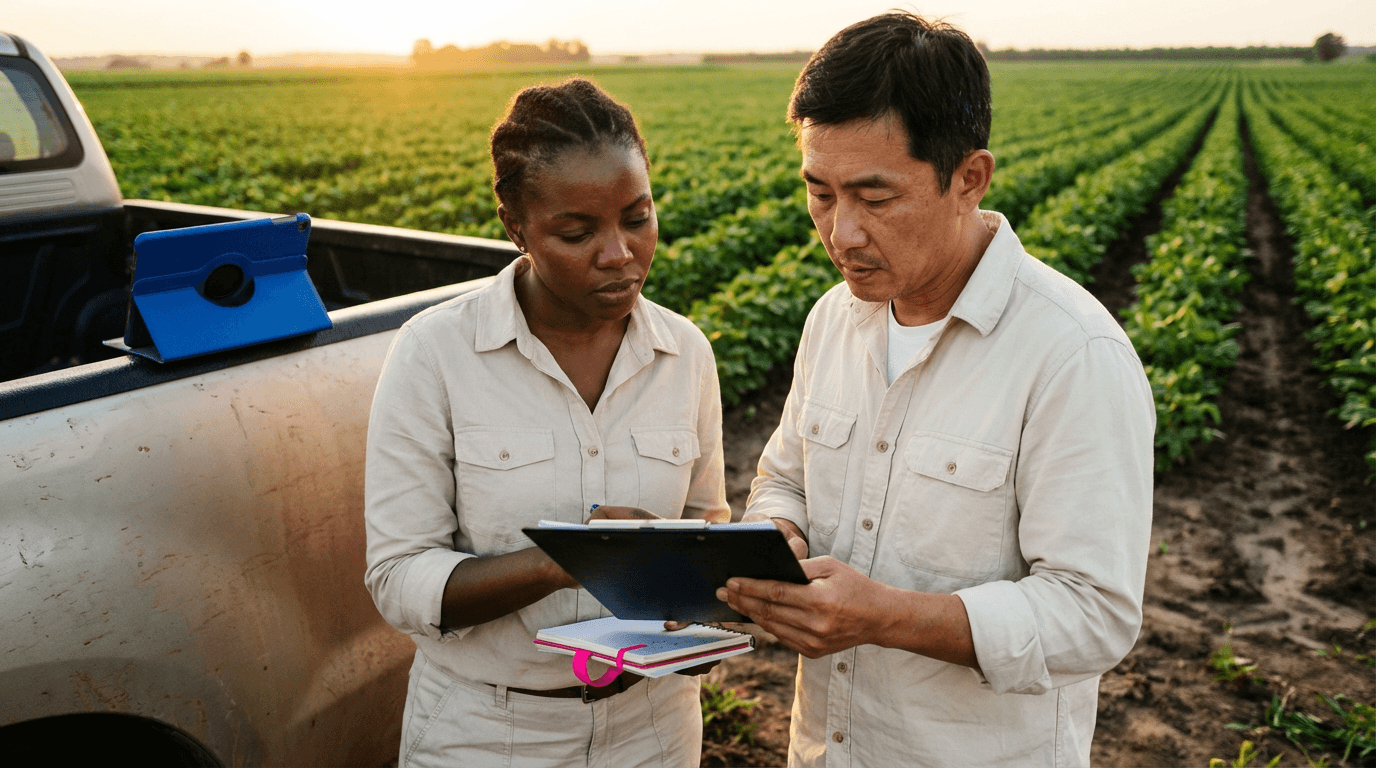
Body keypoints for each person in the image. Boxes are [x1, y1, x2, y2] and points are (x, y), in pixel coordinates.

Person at [721, 12, 1156, 767]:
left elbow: (1094, 615)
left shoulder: (1072, 354)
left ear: (969, 178)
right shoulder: (833, 319)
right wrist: (778, 535)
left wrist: (886, 616)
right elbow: (784, 478)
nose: (841, 233)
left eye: (875, 197)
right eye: (819, 193)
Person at [363, 77, 730, 768]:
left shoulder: (685, 354)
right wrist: (564, 562)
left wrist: (706, 612)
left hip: (654, 726)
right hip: (487, 731)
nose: (619, 252)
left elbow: (705, 526)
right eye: (577, 233)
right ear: (516, 228)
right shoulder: (436, 353)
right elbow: (399, 577)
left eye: (638, 217)